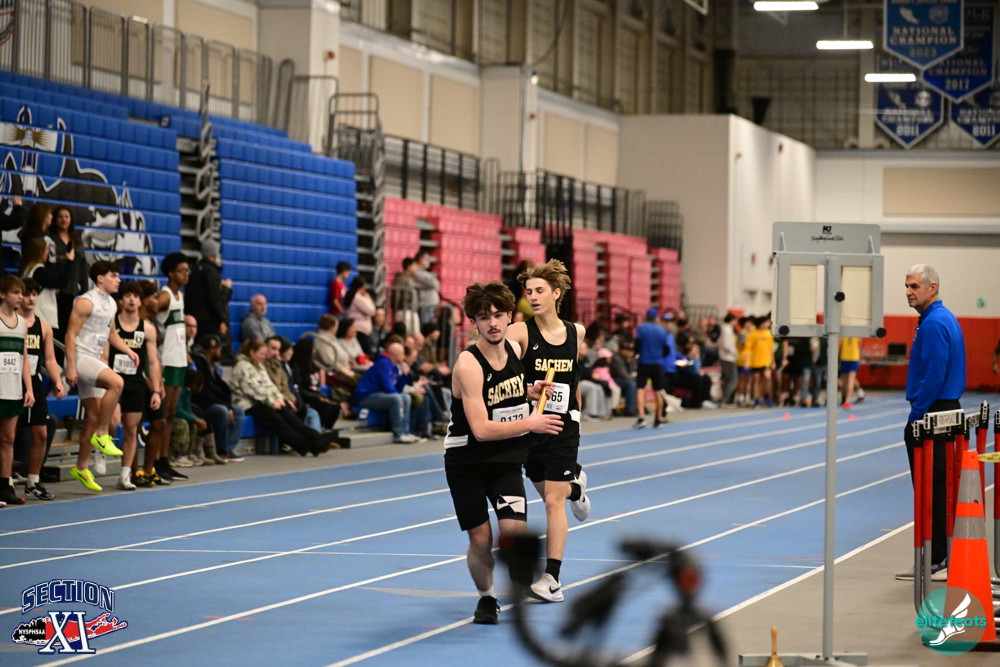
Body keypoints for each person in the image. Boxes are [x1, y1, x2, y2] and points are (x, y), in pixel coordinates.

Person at [445, 281, 562, 624]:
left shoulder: (513, 349)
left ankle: (518, 580)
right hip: (468, 462)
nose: (493, 323)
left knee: (514, 534)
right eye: (484, 318)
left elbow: (504, 390)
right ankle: (486, 597)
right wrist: (531, 422)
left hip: (507, 460)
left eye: (498, 315)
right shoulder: (468, 364)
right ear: (474, 323)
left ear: (510, 316)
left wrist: (529, 391)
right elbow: (481, 429)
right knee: (481, 540)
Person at [506, 259, 591, 603]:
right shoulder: (519, 332)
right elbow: (500, 369)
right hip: (529, 426)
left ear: (556, 293)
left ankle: (552, 579)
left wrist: (577, 416)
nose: (533, 297)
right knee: (549, 493)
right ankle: (576, 487)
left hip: (562, 426)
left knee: (552, 502)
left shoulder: (576, 332)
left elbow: (574, 379)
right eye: (529, 291)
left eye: (540, 290)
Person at [897, 264, 965, 581]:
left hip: (934, 413)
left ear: (932, 287)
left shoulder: (935, 322)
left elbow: (935, 374)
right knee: (935, 488)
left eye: (914, 286)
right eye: (907, 286)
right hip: (939, 410)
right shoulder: (937, 318)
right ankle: (937, 556)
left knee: (933, 490)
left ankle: (939, 558)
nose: (908, 292)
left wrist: (917, 415)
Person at [64, 261, 138, 492]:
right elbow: (70, 334)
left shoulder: (112, 303)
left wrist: (128, 350)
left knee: (94, 416)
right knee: (117, 382)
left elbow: (111, 334)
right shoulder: (86, 302)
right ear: (100, 278)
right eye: (113, 275)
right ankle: (103, 434)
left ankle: (81, 467)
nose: (118, 280)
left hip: (94, 358)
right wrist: (70, 367)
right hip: (81, 356)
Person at [229, 339, 337, 456]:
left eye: (264, 354)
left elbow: (269, 385)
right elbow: (252, 388)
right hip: (248, 404)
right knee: (277, 421)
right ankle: (306, 446)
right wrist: (271, 402)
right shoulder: (243, 366)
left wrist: (279, 399)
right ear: (252, 352)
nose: (263, 357)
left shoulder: (258, 365)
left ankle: (316, 438)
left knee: (289, 416)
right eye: (261, 354)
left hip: (263, 401)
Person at [106, 281, 163, 489]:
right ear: (120, 301)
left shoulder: (147, 329)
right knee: (113, 422)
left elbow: (153, 362)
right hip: (113, 381)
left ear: (140, 302)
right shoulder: (111, 324)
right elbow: (104, 354)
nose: (131, 300)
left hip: (135, 382)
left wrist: (155, 390)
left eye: (135, 297)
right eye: (127, 296)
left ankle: (125, 475)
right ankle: (102, 447)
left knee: (131, 429)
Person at [16, 278, 64, 500]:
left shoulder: (43, 326)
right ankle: (6, 480)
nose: (31, 298)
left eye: (35, 294)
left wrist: (57, 381)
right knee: (7, 434)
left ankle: (33, 480)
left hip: (34, 382)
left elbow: (50, 359)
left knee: (41, 433)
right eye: (27, 294)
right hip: (11, 380)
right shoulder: (10, 322)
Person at [0, 276, 34, 506]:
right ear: (2, 294)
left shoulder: (22, 323)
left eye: (22, 293)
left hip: (13, 389)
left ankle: (5, 486)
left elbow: (24, 358)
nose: (21, 297)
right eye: (16, 292)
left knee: (8, 439)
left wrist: (29, 388)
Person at [353, 340, 425, 444]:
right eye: (402, 354)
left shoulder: (394, 366)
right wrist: (399, 396)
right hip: (365, 396)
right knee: (397, 398)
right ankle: (398, 434)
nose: (404, 356)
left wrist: (404, 375)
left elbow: (397, 387)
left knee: (406, 397)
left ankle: (406, 431)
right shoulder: (384, 364)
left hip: (379, 394)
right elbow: (388, 387)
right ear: (397, 355)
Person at [190, 333, 242, 462]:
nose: (220, 350)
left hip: (213, 400)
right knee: (221, 411)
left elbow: (221, 388)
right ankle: (221, 450)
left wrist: (228, 405)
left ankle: (229, 448)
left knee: (239, 411)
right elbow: (204, 391)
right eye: (218, 348)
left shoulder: (212, 364)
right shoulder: (199, 362)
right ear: (211, 348)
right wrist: (226, 406)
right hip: (201, 402)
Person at [184, 239, 233, 354]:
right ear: (214, 254)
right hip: (209, 322)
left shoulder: (194, 269)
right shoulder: (212, 271)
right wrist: (221, 320)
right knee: (208, 354)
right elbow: (214, 300)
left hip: (194, 322)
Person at [48, 205, 89, 334]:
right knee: (56, 326)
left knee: (69, 327)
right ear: (55, 219)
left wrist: (85, 289)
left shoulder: (76, 239)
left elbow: (83, 265)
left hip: (72, 289)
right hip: (56, 289)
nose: (64, 220)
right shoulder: (50, 238)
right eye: (60, 217)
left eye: (66, 217)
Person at [633, 308, 670, 428]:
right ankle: (658, 418)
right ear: (656, 318)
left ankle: (641, 417)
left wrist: (636, 354)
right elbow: (666, 349)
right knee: (658, 390)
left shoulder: (641, 328)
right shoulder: (662, 331)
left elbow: (637, 344)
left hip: (644, 362)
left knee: (640, 388)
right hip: (657, 363)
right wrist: (659, 355)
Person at [18, 237, 62, 334]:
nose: (47, 253)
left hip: (30, 313)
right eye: (46, 250)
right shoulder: (39, 271)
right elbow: (61, 282)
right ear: (41, 252)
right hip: (41, 314)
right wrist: (68, 261)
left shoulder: (27, 268)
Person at [345, 275, 376, 354]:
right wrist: (368, 298)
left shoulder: (352, 295)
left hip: (360, 330)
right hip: (360, 330)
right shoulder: (357, 297)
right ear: (361, 286)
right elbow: (371, 311)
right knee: (367, 353)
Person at [412, 249, 441, 324]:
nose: (428, 261)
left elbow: (437, 284)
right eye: (427, 259)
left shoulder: (426, 273)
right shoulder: (416, 272)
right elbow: (434, 284)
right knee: (426, 326)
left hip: (431, 305)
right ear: (420, 259)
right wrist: (433, 280)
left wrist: (434, 280)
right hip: (425, 304)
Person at [718, 313, 738, 405]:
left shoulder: (725, 328)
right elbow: (726, 344)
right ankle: (726, 399)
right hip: (728, 357)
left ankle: (727, 398)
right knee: (732, 379)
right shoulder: (727, 329)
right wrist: (734, 352)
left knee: (728, 378)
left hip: (727, 356)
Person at [838, 336, 861, 409]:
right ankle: (847, 400)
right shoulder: (858, 334)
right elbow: (859, 345)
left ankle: (845, 399)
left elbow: (839, 345)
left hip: (845, 358)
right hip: (854, 357)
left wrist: (838, 359)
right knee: (849, 380)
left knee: (845, 381)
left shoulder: (842, 334)